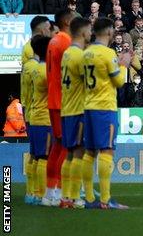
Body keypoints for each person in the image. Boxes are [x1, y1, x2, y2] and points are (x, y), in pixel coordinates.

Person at [81, 18, 128, 209]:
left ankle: (90, 198)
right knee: (107, 150)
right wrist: (123, 64)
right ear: (109, 33)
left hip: (88, 106)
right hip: (105, 107)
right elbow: (119, 82)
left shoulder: (86, 53)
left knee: (90, 152)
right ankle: (105, 199)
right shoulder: (108, 54)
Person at [58, 17, 92, 209]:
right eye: (88, 31)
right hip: (78, 108)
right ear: (82, 32)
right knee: (78, 152)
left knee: (70, 153)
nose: (90, 34)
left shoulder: (68, 53)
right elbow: (90, 81)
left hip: (67, 108)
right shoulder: (80, 56)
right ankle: (74, 196)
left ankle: (66, 197)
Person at [43, 9, 74, 207]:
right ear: (69, 22)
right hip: (63, 101)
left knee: (58, 146)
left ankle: (50, 192)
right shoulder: (65, 41)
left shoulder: (54, 40)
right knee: (65, 147)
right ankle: (60, 194)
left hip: (55, 98)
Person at [28, 35, 52, 206]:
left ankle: (34, 193)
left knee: (36, 156)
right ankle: (42, 194)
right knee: (44, 156)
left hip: (35, 115)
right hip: (45, 118)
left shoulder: (35, 68)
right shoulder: (46, 71)